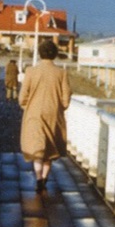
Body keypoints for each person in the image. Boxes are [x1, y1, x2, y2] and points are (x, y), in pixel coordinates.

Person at [19, 38, 71, 193]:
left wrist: (27, 106)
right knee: (50, 148)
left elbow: (22, 97)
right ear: (55, 54)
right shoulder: (61, 73)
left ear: (40, 54)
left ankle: (38, 177)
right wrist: (60, 107)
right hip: (54, 113)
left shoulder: (31, 71)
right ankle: (45, 178)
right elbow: (66, 97)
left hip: (34, 113)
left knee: (37, 148)